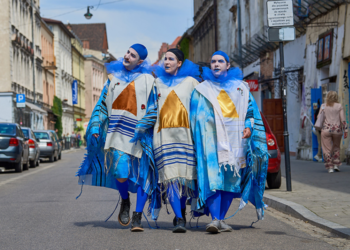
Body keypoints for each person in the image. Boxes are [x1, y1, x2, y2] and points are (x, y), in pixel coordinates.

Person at [77, 44, 158, 232]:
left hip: (140, 136)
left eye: (132, 55)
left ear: (141, 61)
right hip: (116, 134)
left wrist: (144, 124)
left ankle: (137, 217)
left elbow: (154, 108)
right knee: (120, 173)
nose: (127, 56)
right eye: (128, 52)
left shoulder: (148, 80)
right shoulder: (113, 79)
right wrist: (96, 124)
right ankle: (124, 201)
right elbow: (102, 105)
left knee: (142, 176)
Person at [190, 51, 269, 233]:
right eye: (213, 61)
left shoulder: (240, 88)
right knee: (213, 180)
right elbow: (194, 117)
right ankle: (216, 219)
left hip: (236, 142)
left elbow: (250, 112)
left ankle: (220, 219)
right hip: (211, 144)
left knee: (231, 182)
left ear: (227, 65)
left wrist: (249, 126)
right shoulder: (202, 89)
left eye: (220, 61)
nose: (216, 64)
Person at [131, 48, 200, 233]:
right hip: (162, 139)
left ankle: (182, 211)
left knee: (184, 180)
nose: (166, 62)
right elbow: (151, 109)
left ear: (179, 63)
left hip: (187, 140)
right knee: (170, 179)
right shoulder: (157, 83)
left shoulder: (192, 83)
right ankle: (178, 218)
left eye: (171, 59)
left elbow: (200, 109)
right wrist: (139, 127)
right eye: (165, 59)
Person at [320, 91, 348, 173]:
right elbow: (343, 119)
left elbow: (319, 117)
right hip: (337, 130)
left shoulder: (323, 106)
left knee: (327, 149)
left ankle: (330, 167)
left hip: (326, 130)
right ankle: (336, 165)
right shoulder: (339, 106)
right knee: (336, 147)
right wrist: (345, 130)